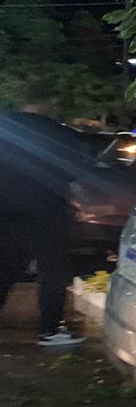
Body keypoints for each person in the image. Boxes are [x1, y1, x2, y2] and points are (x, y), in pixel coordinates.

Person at [0, 112, 86, 346]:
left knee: (5, 268)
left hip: (7, 209)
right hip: (47, 211)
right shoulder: (55, 134)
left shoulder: (7, 130)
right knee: (53, 271)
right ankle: (50, 330)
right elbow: (71, 172)